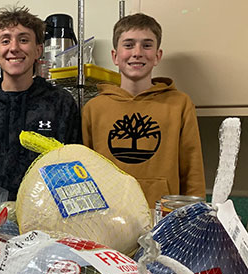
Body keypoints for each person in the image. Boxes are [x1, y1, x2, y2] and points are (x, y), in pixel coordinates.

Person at [0, 5, 81, 207]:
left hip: (44, 225)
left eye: (23, 39)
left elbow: (73, 170)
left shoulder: (60, 104)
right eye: (5, 40)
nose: (14, 48)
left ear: (38, 50)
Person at [82, 13, 206, 209]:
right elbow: (84, 173)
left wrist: (197, 216)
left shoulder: (179, 104)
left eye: (147, 45)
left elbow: (193, 170)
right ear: (115, 56)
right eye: (129, 45)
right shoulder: (93, 109)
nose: (137, 52)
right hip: (110, 221)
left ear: (157, 56)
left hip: (165, 220)